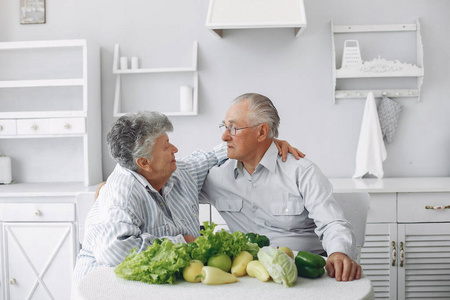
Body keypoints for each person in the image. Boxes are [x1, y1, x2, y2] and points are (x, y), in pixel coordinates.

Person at [72, 111, 302, 290]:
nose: (175, 149)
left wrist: (264, 142)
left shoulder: (177, 172)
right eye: (166, 147)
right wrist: (184, 242)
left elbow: (210, 156)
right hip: (106, 288)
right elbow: (115, 250)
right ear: (143, 163)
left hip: (158, 287)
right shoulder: (120, 193)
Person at [200, 93, 362, 282]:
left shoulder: (301, 171)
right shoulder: (216, 177)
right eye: (225, 127)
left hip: (304, 275)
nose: (224, 136)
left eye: (233, 128)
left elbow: (332, 223)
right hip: (248, 278)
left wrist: (339, 253)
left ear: (261, 132)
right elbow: (175, 182)